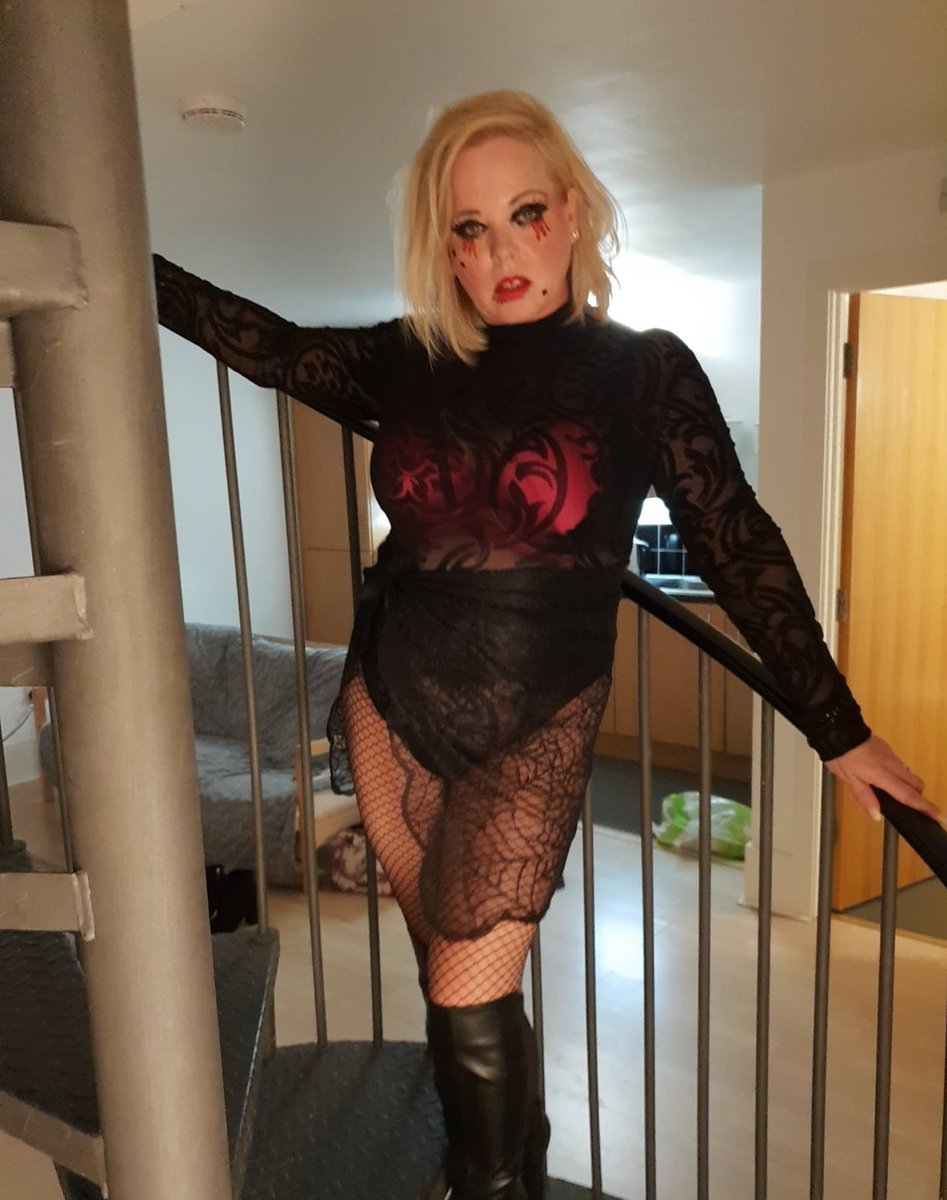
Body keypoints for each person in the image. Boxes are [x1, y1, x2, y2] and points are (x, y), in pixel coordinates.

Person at [153, 89, 942, 1200]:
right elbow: (264, 345)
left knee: (467, 985)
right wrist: (123, 255)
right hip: (393, 697)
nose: (500, 252)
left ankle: (488, 1180)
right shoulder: (406, 357)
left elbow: (735, 544)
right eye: (469, 230)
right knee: (451, 978)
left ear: (570, 212)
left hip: (535, 718)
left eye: (524, 214)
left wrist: (838, 729)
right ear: (446, 250)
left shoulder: (645, 371)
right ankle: (513, 1159)